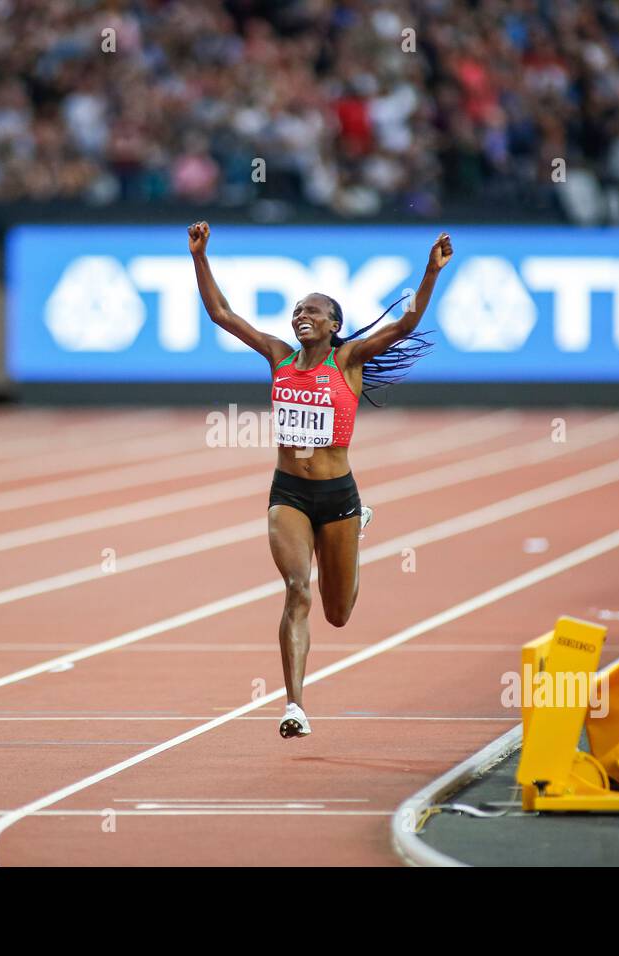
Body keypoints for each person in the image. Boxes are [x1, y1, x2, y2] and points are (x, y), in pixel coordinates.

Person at [188, 220, 450, 739]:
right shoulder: (277, 356)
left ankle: (358, 531)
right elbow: (221, 314)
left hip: (337, 495)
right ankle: (295, 706)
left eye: (313, 310)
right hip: (288, 493)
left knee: (338, 614)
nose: (301, 316)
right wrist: (200, 255)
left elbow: (405, 324)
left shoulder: (347, 360)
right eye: (297, 310)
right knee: (296, 590)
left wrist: (429, 271)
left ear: (333, 325)